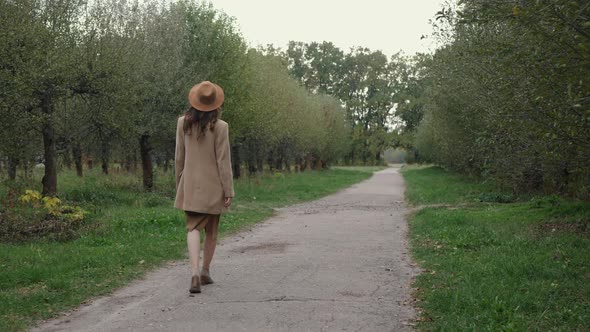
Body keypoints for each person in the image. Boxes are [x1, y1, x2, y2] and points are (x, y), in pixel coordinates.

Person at [174, 81, 234, 294]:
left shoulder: (183, 123)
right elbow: (223, 161)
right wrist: (228, 190)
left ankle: (193, 273)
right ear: (215, 104)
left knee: (192, 228)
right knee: (211, 231)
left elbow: (179, 158)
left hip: (190, 184)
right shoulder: (220, 126)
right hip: (213, 187)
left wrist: (179, 184)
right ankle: (205, 271)